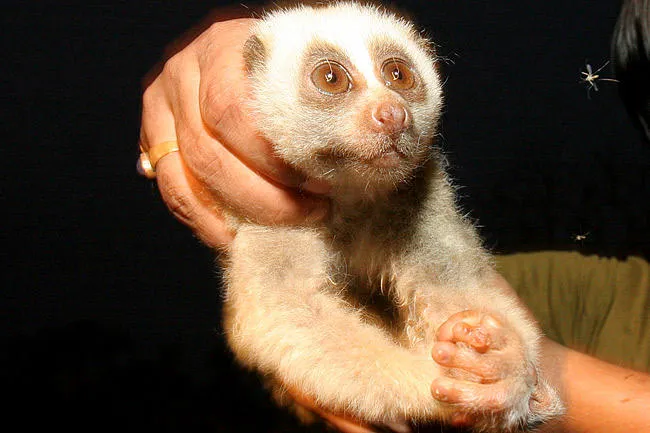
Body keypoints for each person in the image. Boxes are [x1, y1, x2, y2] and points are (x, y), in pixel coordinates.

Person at [137, 4, 650, 432]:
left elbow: (464, 309)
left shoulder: (421, 196)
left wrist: (514, 379)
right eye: (332, 78)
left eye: (399, 76)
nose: (392, 108)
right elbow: (285, 331)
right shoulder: (584, 293)